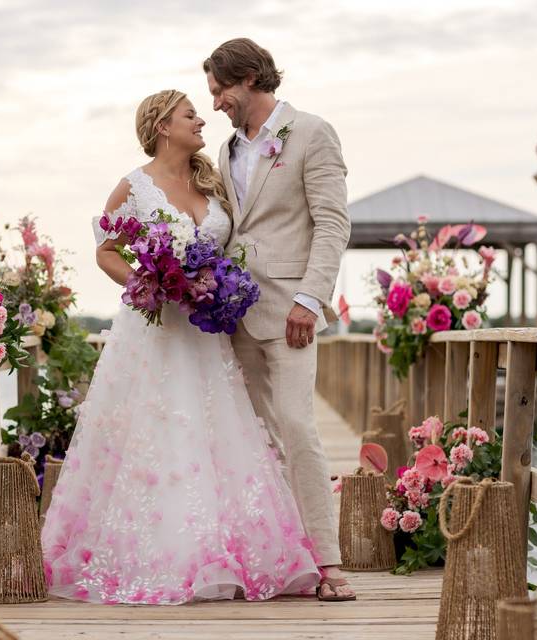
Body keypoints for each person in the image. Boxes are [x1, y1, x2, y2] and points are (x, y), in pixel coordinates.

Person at [40, 89, 321, 605]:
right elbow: (106, 252)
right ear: (162, 125)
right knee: (155, 430)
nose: (201, 120)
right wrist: (147, 283)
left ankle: (223, 550)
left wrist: (214, 286)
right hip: (154, 330)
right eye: (190, 114)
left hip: (207, 333)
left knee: (217, 432)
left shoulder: (210, 180)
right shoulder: (134, 185)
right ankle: (160, 551)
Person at [205, 38, 355, 601]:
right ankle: (272, 558)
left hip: (291, 311)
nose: (216, 101)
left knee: (296, 426)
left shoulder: (312, 133)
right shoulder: (226, 151)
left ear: (246, 78)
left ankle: (328, 561)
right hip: (234, 314)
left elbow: (333, 224)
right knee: (253, 438)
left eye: (220, 89)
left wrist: (310, 300)